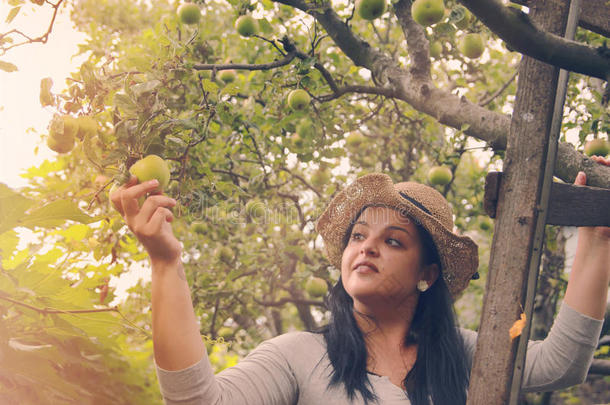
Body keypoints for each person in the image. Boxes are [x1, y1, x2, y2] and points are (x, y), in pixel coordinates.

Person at [110, 156, 609, 405]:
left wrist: (600, 238)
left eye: (394, 241)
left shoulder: (464, 353)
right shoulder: (298, 355)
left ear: (427, 275)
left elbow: (563, 362)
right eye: (358, 236)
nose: (366, 247)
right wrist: (165, 263)